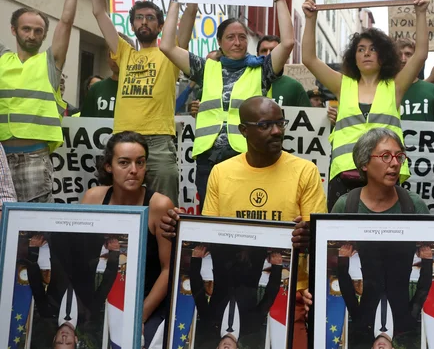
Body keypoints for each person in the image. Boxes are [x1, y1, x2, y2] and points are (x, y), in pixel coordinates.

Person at [161, 96, 326, 349]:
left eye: (280, 123)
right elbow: (209, 239)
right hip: (228, 286)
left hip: (292, 289)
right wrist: (181, 230)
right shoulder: (221, 172)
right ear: (243, 131)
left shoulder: (305, 171)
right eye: (265, 125)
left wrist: (309, 236)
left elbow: (317, 241)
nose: (277, 131)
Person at [297, 128, 434, 347]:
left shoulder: (413, 205)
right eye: (386, 156)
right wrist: (317, 291)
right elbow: (329, 268)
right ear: (364, 163)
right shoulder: (346, 206)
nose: (395, 163)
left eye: (399, 156)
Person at [159, 0, 294, 210]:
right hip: (208, 159)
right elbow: (167, 45)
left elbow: (288, 42)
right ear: (219, 43)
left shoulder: (261, 70)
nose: (238, 42)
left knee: (246, 213)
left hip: (248, 155)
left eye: (242, 37)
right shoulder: (205, 68)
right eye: (230, 37)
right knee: (211, 217)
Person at [301, 0, 430, 210]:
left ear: (384, 55)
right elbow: (309, 59)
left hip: (387, 172)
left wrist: (420, 13)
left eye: (372, 49)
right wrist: (311, 19)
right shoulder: (342, 84)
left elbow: (420, 55)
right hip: (345, 172)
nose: (366, 53)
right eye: (360, 49)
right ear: (354, 57)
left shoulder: (395, 86)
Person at [87, 0, 194, 206]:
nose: (144, 22)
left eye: (150, 18)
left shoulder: (171, 52)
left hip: (159, 142)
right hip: (123, 139)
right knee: (119, 209)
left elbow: (189, 13)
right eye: (138, 18)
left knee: (165, 208)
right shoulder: (124, 52)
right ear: (132, 24)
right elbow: (99, 11)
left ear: (160, 25)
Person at [0, 0, 84, 203]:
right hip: (1, 155)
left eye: (38, 31)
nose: (32, 35)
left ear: (45, 35)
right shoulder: (2, 59)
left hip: (35, 158)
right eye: (26, 29)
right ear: (14, 30)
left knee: (31, 231)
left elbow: (67, 22)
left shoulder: (50, 62)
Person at [79, 131, 173, 346]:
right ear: (108, 166)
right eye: (124, 162)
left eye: (140, 162)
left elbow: (169, 269)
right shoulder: (93, 198)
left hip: (146, 302)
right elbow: (82, 260)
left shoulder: (159, 205)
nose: (133, 170)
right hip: (101, 300)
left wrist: (140, 314)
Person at [22, 232, 121, 348]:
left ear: (54, 338)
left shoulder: (47, 313)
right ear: (75, 339)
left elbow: (36, 284)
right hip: (89, 245)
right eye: (68, 342)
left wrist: (33, 250)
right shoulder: (89, 315)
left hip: (59, 244)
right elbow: (105, 285)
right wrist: (114, 253)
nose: (64, 337)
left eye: (59, 341)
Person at [188, 244, 285, 348]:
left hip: (223, 254)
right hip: (253, 258)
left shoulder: (209, 323)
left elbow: (197, 292)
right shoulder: (252, 326)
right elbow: (269, 297)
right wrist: (276, 267)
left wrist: (196, 260)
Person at [396, 38, 434, 122]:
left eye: (408, 54)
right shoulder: (383, 88)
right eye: (398, 55)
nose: (403, 59)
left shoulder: (432, 90)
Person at [258, 35, 312, 107]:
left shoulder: (295, 87)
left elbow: (309, 116)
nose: (268, 54)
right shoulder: (247, 82)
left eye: (273, 50)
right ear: (257, 55)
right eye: (264, 51)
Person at [81, 51, 120, 118]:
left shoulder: (137, 89)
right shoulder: (96, 88)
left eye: (120, 54)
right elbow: (85, 121)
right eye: (111, 55)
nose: (114, 59)